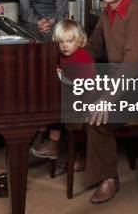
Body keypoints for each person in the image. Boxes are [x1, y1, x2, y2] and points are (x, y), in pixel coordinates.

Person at [84, 0, 138, 204]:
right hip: (118, 80)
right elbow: (93, 48)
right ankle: (88, 161)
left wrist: (106, 99)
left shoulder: (137, 12)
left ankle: (108, 180)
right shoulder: (109, 11)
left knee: (97, 118)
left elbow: (133, 64)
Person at [30, 19, 94, 159]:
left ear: (80, 41)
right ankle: (41, 132)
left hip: (83, 99)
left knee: (57, 106)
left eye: (69, 42)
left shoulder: (83, 57)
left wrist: (62, 77)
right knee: (46, 98)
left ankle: (53, 143)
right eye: (61, 42)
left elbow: (82, 84)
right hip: (70, 94)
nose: (64, 46)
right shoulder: (64, 56)